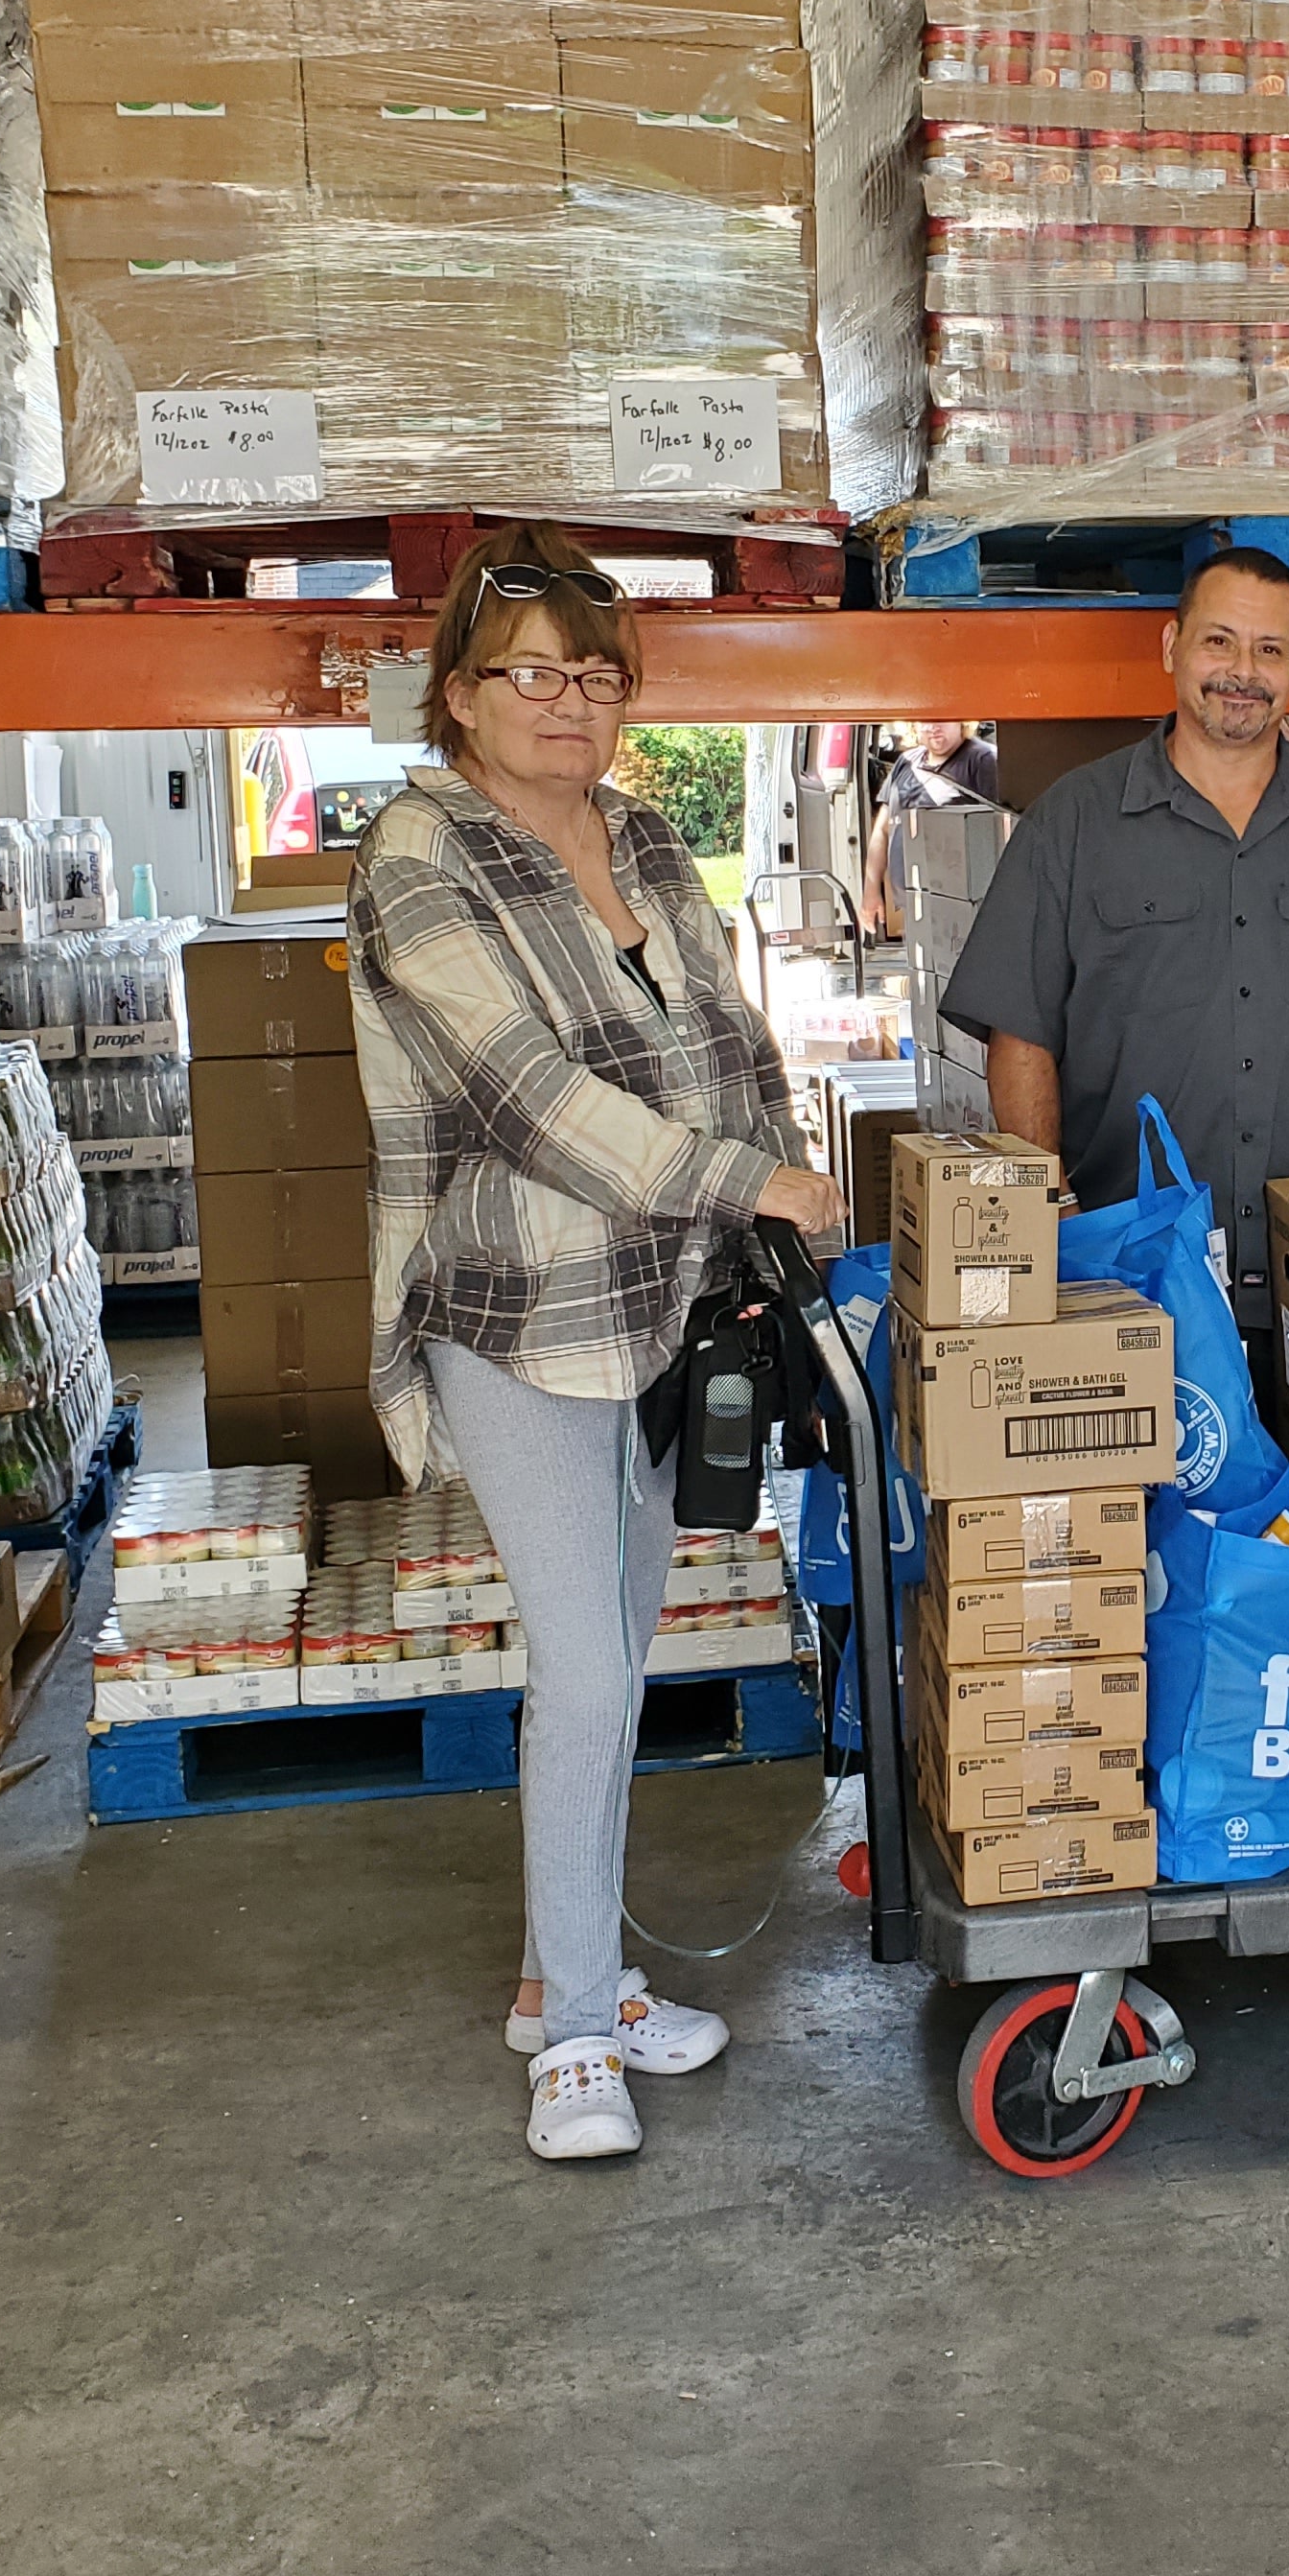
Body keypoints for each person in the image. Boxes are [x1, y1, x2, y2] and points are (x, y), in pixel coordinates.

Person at [347, 520, 847, 2166]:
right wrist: (742, 1172)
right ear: (462, 696)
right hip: (520, 1315)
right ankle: (572, 2035)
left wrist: (769, 1180)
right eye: (530, 675)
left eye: (594, 672)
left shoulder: (637, 838)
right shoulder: (415, 857)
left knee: (616, 1657)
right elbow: (532, 1105)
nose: (568, 702)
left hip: (664, 1305)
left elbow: (720, 1030)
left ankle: (569, 1970)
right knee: (578, 1666)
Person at [937, 545, 1289, 1371]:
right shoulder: (1075, 822)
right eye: (1219, 642)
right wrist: (1054, 1207)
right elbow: (1019, 1028)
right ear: (1170, 648)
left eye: (1269, 650)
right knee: (1145, 1502)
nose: (1242, 673)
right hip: (1132, 1275)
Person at [862, 717, 1001, 937]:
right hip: (914, 903)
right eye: (923, 721)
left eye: (941, 719)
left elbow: (1001, 831)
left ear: (961, 721)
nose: (932, 727)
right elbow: (883, 829)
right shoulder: (907, 762)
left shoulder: (983, 759)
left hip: (962, 906)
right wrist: (871, 890)